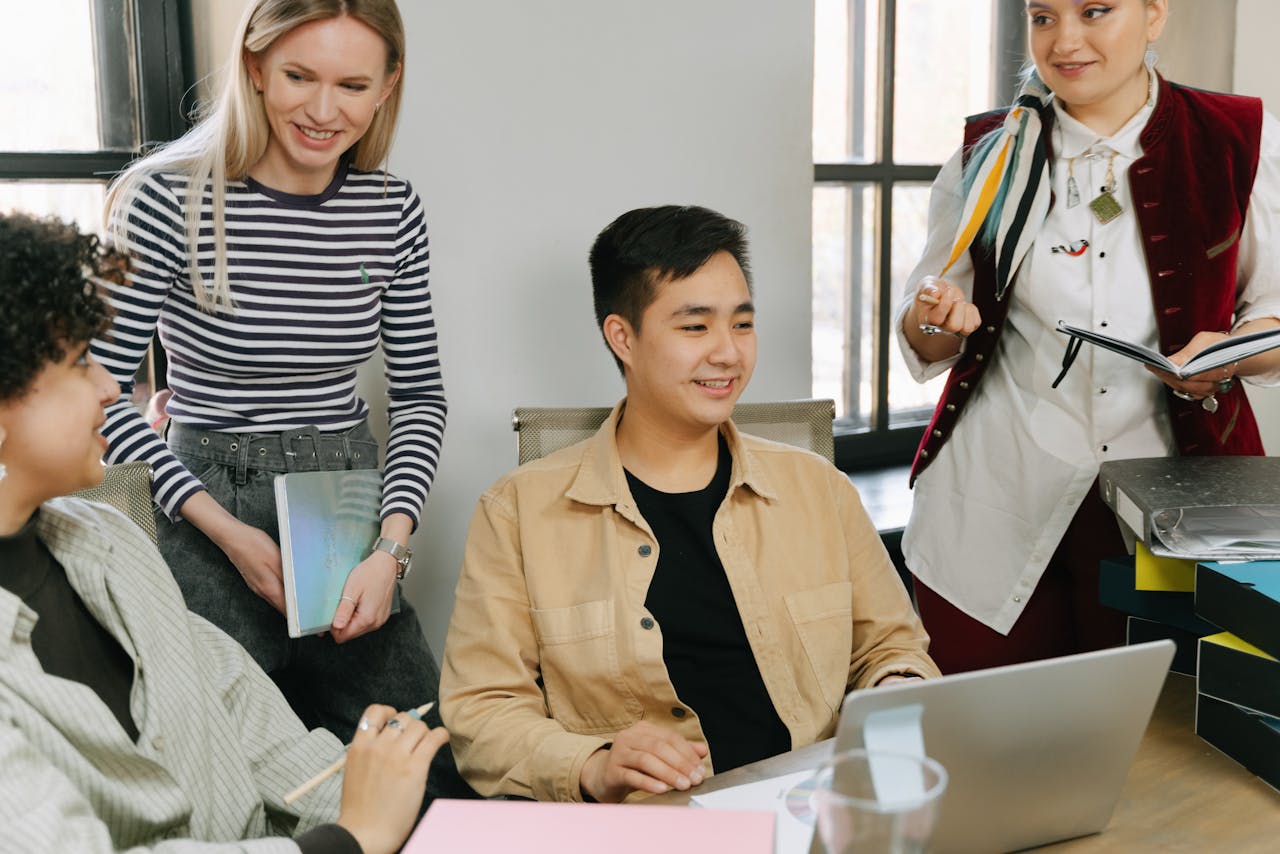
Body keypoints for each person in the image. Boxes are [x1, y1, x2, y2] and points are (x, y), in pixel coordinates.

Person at [439, 205, 938, 804]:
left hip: (816, 809)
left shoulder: (820, 490)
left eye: (742, 324)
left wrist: (895, 689)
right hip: (652, 826)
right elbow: (483, 712)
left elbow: (890, 647)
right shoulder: (517, 513)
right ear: (623, 337)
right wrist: (592, 764)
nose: (728, 353)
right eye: (696, 327)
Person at [0, 212, 447, 853]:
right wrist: (353, 837)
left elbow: (240, 708)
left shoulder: (112, 544)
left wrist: (377, 802)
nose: (109, 388)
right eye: (78, 363)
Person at [90, 0, 457, 768]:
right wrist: (228, 533)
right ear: (254, 68)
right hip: (204, 505)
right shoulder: (166, 198)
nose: (323, 111)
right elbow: (99, 393)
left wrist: (389, 550)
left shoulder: (392, 209)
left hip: (345, 508)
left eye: (352, 85)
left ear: (388, 86)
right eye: (299, 76)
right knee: (223, 774)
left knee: (423, 766)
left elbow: (420, 395)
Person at [896, 0, 1280, 673]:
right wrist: (935, 316)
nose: (1064, 41)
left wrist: (1224, 358)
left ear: (1154, 15)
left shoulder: (1239, 138)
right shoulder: (985, 149)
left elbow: (1273, 315)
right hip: (992, 498)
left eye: (1094, 11)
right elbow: (927, 330)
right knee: (985, 723)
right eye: (1043, 17)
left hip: (1170, 505)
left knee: (1157, 726)